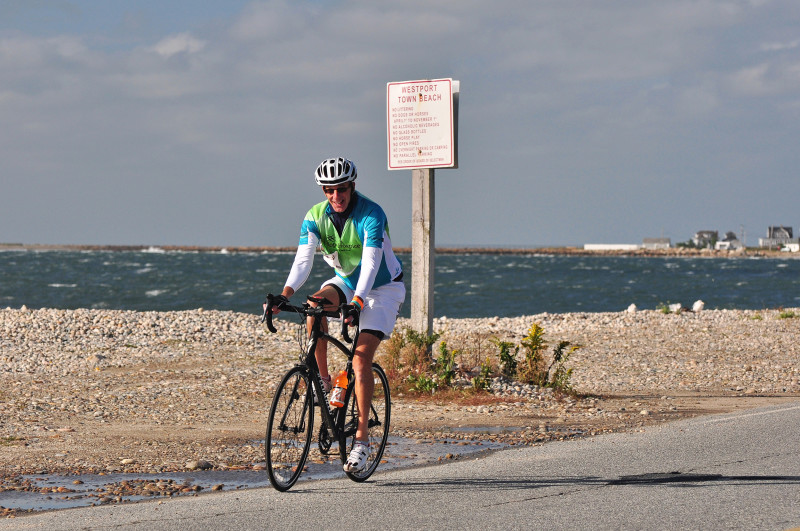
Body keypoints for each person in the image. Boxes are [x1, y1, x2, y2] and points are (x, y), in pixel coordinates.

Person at [270, 156, 405, 473]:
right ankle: (324, 379)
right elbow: (303, 261)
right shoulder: (314, 217)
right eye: (329, 190)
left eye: (341, 189)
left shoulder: (371, 214)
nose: (335, 196)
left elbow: (371, 265)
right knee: (314, 306)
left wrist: (358, 303)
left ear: (352, 186)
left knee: (360, 360)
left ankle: (361, 441)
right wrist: (284, 295)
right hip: (346, 281)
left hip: (382, 288)